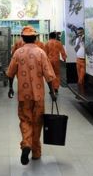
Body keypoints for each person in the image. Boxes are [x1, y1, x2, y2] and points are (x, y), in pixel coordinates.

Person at [6, 25, 57, 165]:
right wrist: (52, 92)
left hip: (24, 95)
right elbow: (49, 76)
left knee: (25, 120)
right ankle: (36, 152)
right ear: (35, 38)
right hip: (39, 95)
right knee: (37, 122)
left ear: (22, 38)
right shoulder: (41, 52)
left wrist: (10, 87)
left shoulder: (18, 53)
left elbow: (10, 73)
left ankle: (26, 144)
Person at [74, 27, 86, 94]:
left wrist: (83, 41)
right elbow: (75, 49)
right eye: (78, 33)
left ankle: (79, 93)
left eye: (81, 33)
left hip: (84, 61)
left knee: (80, 79)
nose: (79, 35)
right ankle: (81, 92)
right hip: (78, 59)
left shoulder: (86, 39)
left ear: (84, 32)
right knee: (80, 77)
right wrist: (78, 41)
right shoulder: (77, 39)